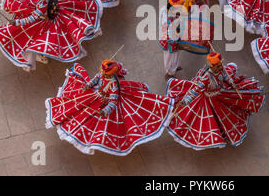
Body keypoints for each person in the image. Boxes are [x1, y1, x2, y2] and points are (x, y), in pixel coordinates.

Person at [46, 60, 174, 156]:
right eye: (102, 72)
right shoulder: (102, 74)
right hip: (97, 95)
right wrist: (88, 85)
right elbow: (95, 80)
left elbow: (113, 102)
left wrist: (105, 110)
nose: (102, 74)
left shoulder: (114, 84)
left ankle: (96, 141)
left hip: (107, 102)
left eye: (105, 74)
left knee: (104, 126)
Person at [0, 0, 103, 72]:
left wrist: (17, 23)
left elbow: (32, 18)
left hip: (44, 21)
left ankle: (42, 56)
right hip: (54, 13)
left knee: (36, 39)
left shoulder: (42, 5)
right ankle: (42, 55)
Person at [166, 52, 265, 150]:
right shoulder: (206, 77)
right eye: (217, 66)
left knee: (227, 113)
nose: (220, 67)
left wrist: (231, 83)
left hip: (221, 94)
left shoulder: (221, 70)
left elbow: (226, 77)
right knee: (214, 116)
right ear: (212, 66)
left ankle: (223, 131)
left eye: (220, 64)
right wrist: (185, 101)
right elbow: (195, 90)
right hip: (209, 99)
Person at [159, 0, 185, 80]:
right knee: (169, 57)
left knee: (175, 55)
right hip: (169, 42)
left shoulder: (164, 8)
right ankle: (169, 73)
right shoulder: (168, 22)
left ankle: (174, 67)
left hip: (171, 38)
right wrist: (178, 44)